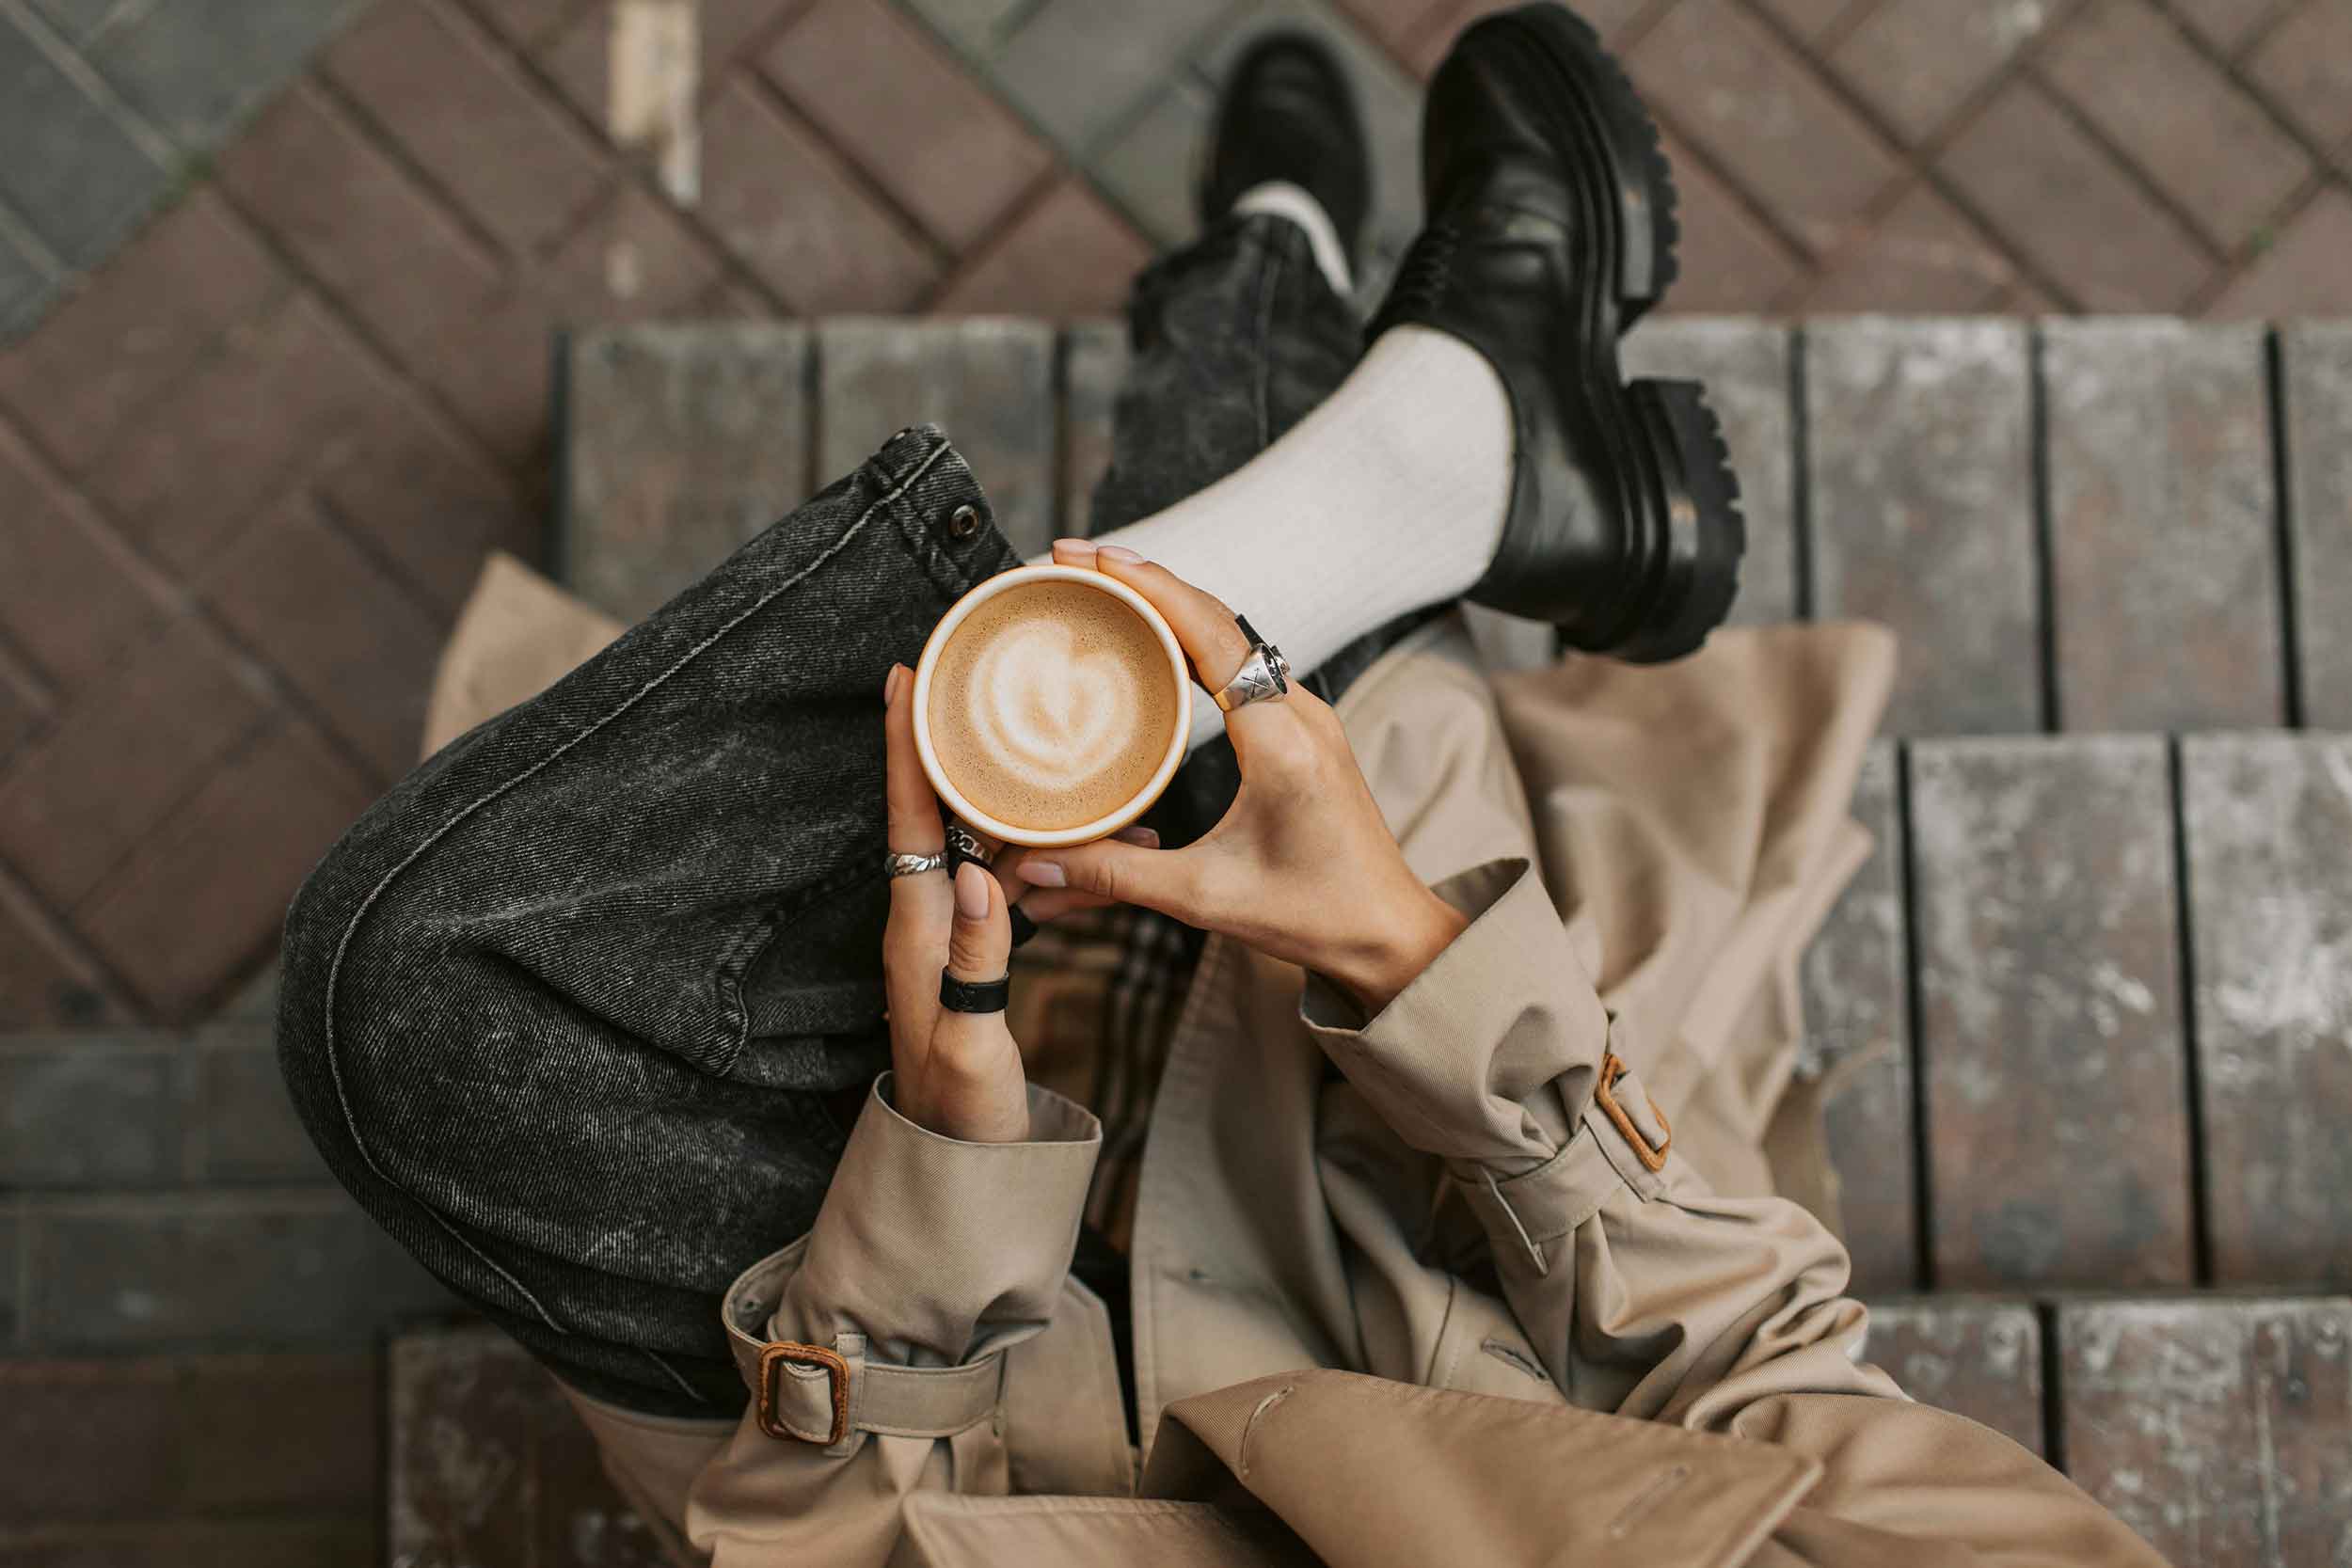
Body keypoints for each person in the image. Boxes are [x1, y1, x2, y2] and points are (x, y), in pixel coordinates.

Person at [277, 7, 2169, 1565]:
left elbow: (834, 1542)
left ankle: (1351, 354)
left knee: (421, 988)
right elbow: (1765, 1373)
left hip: (945, 1428)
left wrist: (935, 1172)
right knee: (1203, 687)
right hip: (1397, 1228)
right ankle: (1352, 377)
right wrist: (1407, 959)